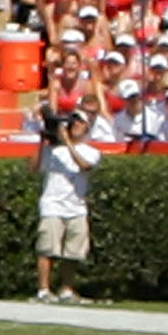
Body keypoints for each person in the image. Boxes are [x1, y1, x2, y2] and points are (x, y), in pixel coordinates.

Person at [34, 111, 101, 303]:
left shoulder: (91, 151)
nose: (76, 126)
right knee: (47, 249)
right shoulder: (52, 150)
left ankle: (66, 289)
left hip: (76, 207)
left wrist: (68, 143)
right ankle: (44, 289)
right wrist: (42, 143)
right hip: (52, 204)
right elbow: (35, 168)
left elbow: (84, 166)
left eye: (80, 123)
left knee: (73, 252)